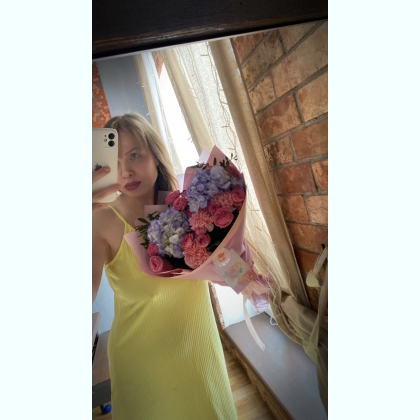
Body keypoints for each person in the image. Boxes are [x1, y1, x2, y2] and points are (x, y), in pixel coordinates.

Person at [92, 113, 238, 419]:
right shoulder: (100, 221)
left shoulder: (189, 206)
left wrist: (242, 276)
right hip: (142, 365)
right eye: (115, 161)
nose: (126, 170)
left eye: (135, 155)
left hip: (200, 351)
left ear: (155, 155)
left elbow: (228, 270)